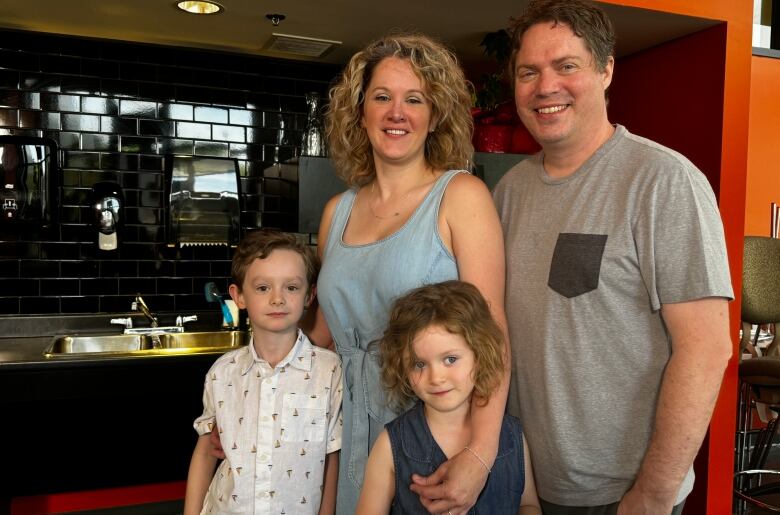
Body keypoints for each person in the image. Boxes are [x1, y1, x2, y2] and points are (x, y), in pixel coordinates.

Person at [492, 1, 733, 514]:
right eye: (528, 71)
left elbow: (707, 348)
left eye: (566, 66)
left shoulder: (662, 181)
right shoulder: (509, 192)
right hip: (527, 488)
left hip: (623, 497)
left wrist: (652, 494)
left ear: (606, 70)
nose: (545, 86)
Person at [311, 33, 510, 515]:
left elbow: (493, 331)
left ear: (433, 115)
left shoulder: (461, 197)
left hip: (431, 434)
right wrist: (248, 397)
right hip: (344, 431)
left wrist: (479, 455)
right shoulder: (336, 212)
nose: (396, 113)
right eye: (382, 97)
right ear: (361, 112)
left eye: (413, 99)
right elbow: (321, 339)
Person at [184, 229, 343, 515]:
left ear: (309, 295)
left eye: (291, 287)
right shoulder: (222, 373)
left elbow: (331, 459)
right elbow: (207, 450)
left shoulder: (330, 372)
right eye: (262, 288)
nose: (277, 299)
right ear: (239, 296)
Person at [356, 281, 541, 515]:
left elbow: (528, 504)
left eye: (450, 359)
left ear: (480, 354)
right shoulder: (389, 444)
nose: (436, 377)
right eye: (419, 364)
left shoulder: (513, 435)